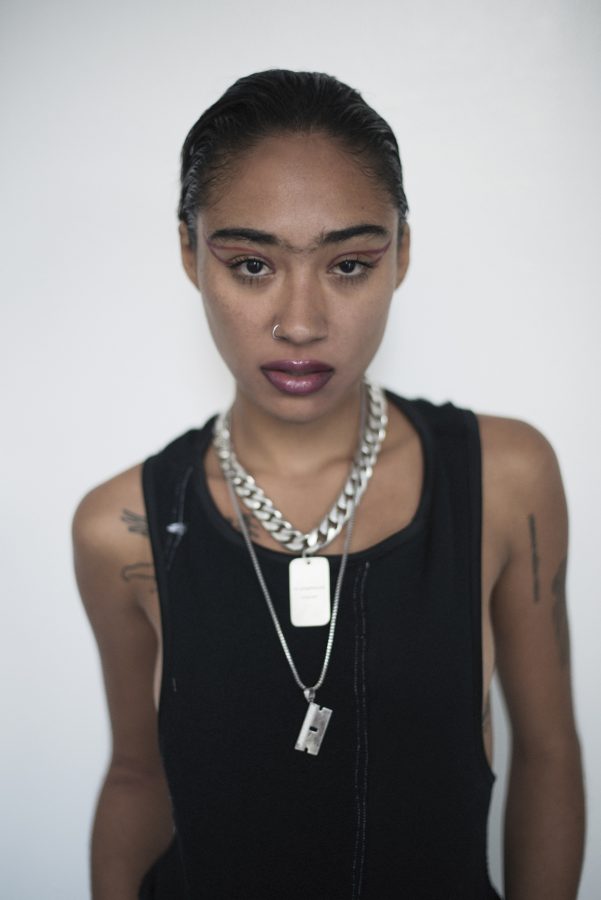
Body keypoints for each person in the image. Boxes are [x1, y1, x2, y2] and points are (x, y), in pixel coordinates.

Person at [73, 70, 585, 899]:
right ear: (189, 253)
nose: (301, 322)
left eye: (348, 264)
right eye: (251, 264)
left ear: (401, 253)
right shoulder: (120, 525)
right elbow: (136, 774)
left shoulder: (505, 478)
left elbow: (549, 749)